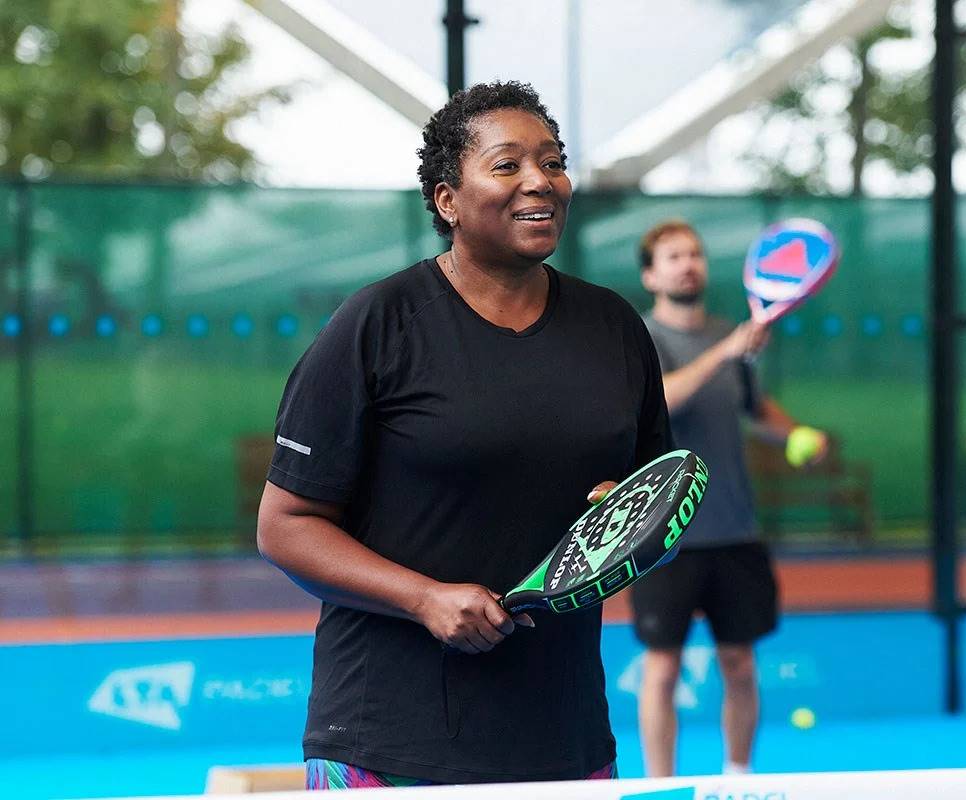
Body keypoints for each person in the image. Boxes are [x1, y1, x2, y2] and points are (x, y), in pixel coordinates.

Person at [256, 81, 673, 790]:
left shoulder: (614, 328)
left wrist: (622, 522)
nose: (541, 181)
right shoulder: (377, 323)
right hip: (389, 738)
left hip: (563, 737)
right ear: (448, 200)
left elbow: (652, 498)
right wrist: (423, 596)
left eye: (553, 160)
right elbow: (286, 527)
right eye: (507, 165)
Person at [631, 219, 828, 777]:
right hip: (662, 536)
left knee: (740, 665)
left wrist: (794, 435)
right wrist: (724, 351)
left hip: (736, 530)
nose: (687, 263)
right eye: (673, 256)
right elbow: (660, 404)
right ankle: (660, 787)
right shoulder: (643, 338)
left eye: (694, 253)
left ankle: (737, 782)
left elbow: (754, 411)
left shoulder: (732, 335)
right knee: (663, 670)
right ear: (651, 274)